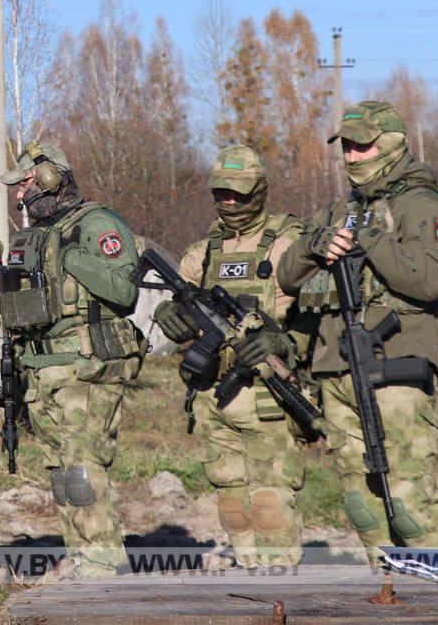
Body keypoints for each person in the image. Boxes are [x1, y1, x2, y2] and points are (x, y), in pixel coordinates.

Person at [278, 100, 438, 556]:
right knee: (362, 505)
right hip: (335, 369)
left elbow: (427, 280)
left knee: (410, 506)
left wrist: (370, 239)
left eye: (362, 146)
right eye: (346, 148)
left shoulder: (421, 203)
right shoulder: (339, 208)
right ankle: (388, 592)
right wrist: (316, 243)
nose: (352, 157)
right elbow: (286, 274)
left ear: (393, 144)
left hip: (395, 365)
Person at [152, 145, 304, 566]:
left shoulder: (289, 245)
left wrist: (284, 343)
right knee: (230, 500)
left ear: (259, 190)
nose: (230, 202)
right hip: (212, 395)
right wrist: (169, 313)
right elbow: (176, 298)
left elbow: (316, 317)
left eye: (239, 193)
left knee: (272, 501)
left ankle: (281, 587)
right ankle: (250, 575)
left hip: (268, 396)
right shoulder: (204, 253)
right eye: (222, 193)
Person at [0, 142, 142, 579]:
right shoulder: (37, 235)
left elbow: (125, 291)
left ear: (49, 180)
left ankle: (102, 566)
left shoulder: (96, 225)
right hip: (43, 371)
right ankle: (83, 558)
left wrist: (73, 257)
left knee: (82, 465)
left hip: (87, 368)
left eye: (24, 185)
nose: (19, 196)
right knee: (61, 473)